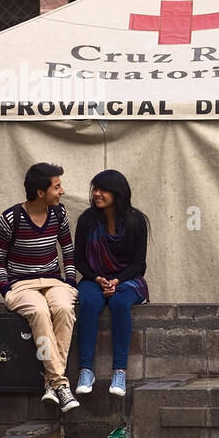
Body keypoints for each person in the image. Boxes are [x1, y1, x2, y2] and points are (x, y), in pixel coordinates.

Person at [0, 162, 79, 412]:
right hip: (21, 285)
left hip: (54, 281)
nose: (61, 191)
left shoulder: (59, 214)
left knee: (63, 308)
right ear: (41, 192)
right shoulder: (11, 218)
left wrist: (70, 281)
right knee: (40, 312)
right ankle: (60, 384)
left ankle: (51, 382)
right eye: (57, 186)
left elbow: (68, 252)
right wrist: (6, 290)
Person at [73, 170, 149, 398]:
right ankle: (86, 370)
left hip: (127, 280)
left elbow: (139, 264)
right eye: (95, 189)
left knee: (119, 303)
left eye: (103, 190)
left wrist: (117, 280)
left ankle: (119, 371)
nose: (97, 194)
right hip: (93, 278)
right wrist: (97, 278)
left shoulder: (136, 221)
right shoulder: (87, 220)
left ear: (117, 193)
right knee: (89, 302)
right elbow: (79, 260)